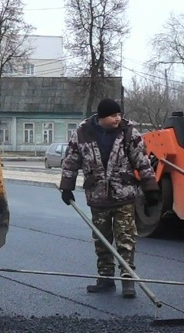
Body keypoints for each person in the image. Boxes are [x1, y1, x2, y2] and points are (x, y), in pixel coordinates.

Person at [59, 98, 160, 298]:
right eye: (114, 115)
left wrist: (151, 188)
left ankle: (128, 280)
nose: (118, 118)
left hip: (124, 195)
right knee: (102, 240)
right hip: (97, 196)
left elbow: (142, 161)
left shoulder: (129, 132)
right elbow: (71, 161)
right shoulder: (82, 132)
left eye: (119, 114)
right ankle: (105, 278)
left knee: (126, 239)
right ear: (103, 117)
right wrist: (66, 187)